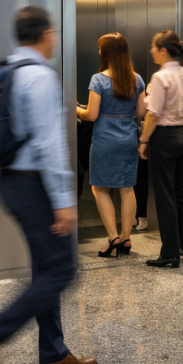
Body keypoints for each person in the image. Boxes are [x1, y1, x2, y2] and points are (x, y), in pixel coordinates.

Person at [0, 6, 96, 364]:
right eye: (53, 32)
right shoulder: (39, 77)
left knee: (47, 268)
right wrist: (65, 202)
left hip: (12, 181)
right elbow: (51, 146)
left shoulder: (7, 69)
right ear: (45, 34)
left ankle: (54, 353)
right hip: (35, 184)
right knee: (64, 270)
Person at [76, 33, 146, 257]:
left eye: (100, 48)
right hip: (128, 136)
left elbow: (91, 114)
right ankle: (126, 239)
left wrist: (74, 108)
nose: (98, 52)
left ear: (106, 53)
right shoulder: (137, 79)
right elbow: (141, 112)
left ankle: (113, 237)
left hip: (105, 137)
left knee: (99, 188)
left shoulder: (99, 80)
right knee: (127, 188)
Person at [139, 30, 183, 267]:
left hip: (164, 137)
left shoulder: (160, 78)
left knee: (164, 195)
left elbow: (153, 114)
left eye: (154, 47)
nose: (151, 50)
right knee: (180, 193)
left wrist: (143, 140)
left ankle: (169, 252)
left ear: (163, 50)